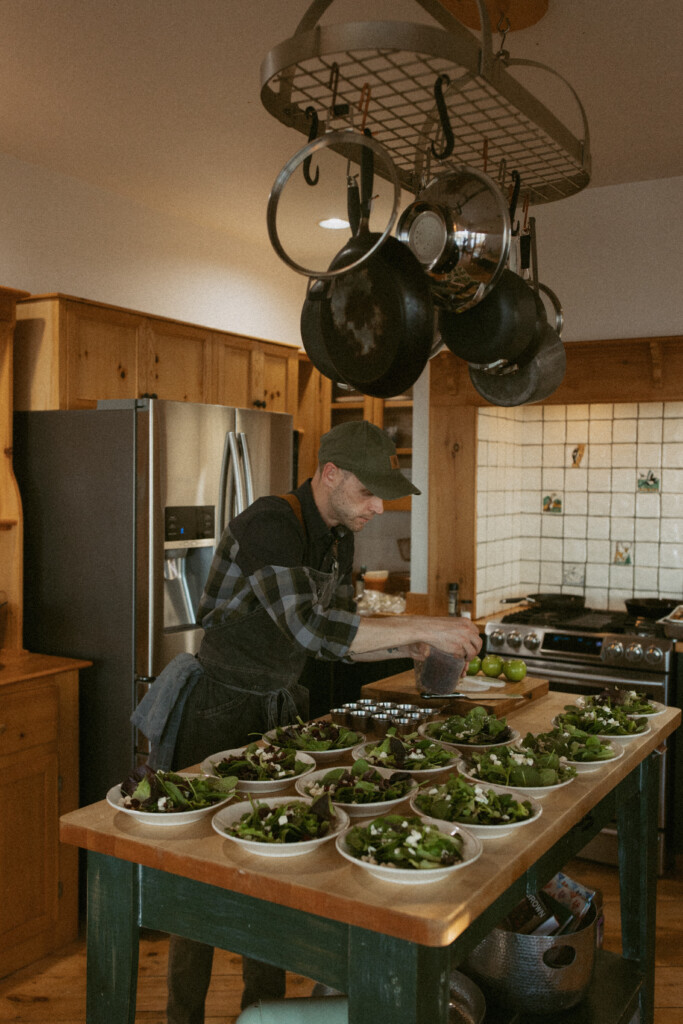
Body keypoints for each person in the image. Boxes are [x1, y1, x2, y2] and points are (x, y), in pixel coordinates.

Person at [132, 419, 481, 1023]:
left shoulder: (338, 535)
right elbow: (309, 628)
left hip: (275, 710)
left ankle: (261, 1012)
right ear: (330, 474)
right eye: (369, 491)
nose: (379, 505)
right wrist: (425, 624)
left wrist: (406, 648)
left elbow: (336, 642)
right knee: (201, 877)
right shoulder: (272, 524)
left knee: (273, 863)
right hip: (217, 706)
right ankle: (181, 1017)